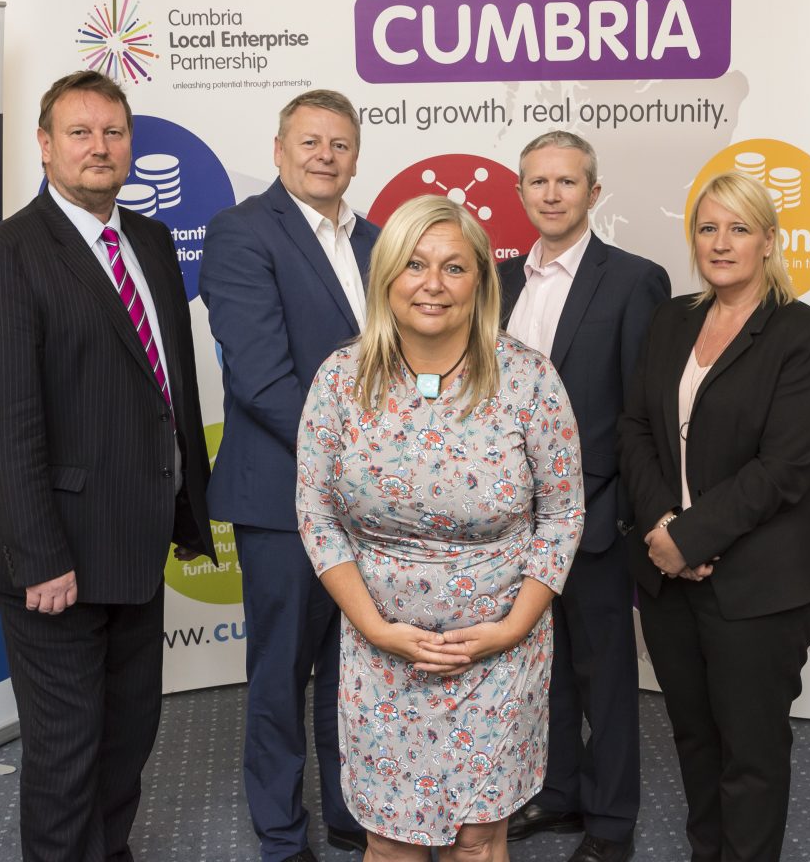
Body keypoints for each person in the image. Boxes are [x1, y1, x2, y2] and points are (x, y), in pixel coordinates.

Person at [0, 70, 217, 862]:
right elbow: (2, 425)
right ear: (44, 145)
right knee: (66, 756)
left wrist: (183, 513)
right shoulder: (8, 255)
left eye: (113, 132)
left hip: (134, 545)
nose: (99, 147)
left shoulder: (150, 239)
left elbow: (168, 385)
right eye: (80, 132)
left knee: (127, 739)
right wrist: (41, 557)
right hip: (55, 561)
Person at [297, 195, 584, 860]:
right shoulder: (341, 380)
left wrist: (513, 627)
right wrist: (374, 628)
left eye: (455, 268)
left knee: (479, 842)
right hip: (380, 652)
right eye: (415, 265)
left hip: (500, 653)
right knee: (390, 841)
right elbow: (317, 517)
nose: (433, 284)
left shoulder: (529, 379)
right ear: (387, 276)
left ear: (481, 280)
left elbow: (564, 514)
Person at [617, 171, 810, 862]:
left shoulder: (801, 334)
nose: (721, 243)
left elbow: (785, 468)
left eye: (739, 228)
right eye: (708, 228)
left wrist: (690, 536)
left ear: (769, 242)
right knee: (694, 737)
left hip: (758, 586)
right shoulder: (672, 318)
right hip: (668, 575)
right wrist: (662, 527)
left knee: (751, 755)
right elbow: (635, 429)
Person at [201, 89, 376, 862]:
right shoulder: (240, 234)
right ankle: (281, 834)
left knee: (358, 664)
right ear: (278, 151)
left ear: (355, 157)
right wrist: (362, 461)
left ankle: (349, 809)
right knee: (281, 674)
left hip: (374, 502)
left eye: (339, 144)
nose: (324, 156)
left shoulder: (380, 240)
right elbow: (262, 378)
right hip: (283, 496)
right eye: (309, 142)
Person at [498, 131, 668, 862]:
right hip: (511, 518)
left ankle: (610, 821)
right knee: (543, 667)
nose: (552, 194)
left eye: (567, 182)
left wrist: (629, 513)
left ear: (593, 194)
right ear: (521, 193)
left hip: (596, 514)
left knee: (604, 674)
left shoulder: (634, 279)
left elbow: (643, 411)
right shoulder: (496, 280)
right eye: (538, 182)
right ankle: (558, 793)